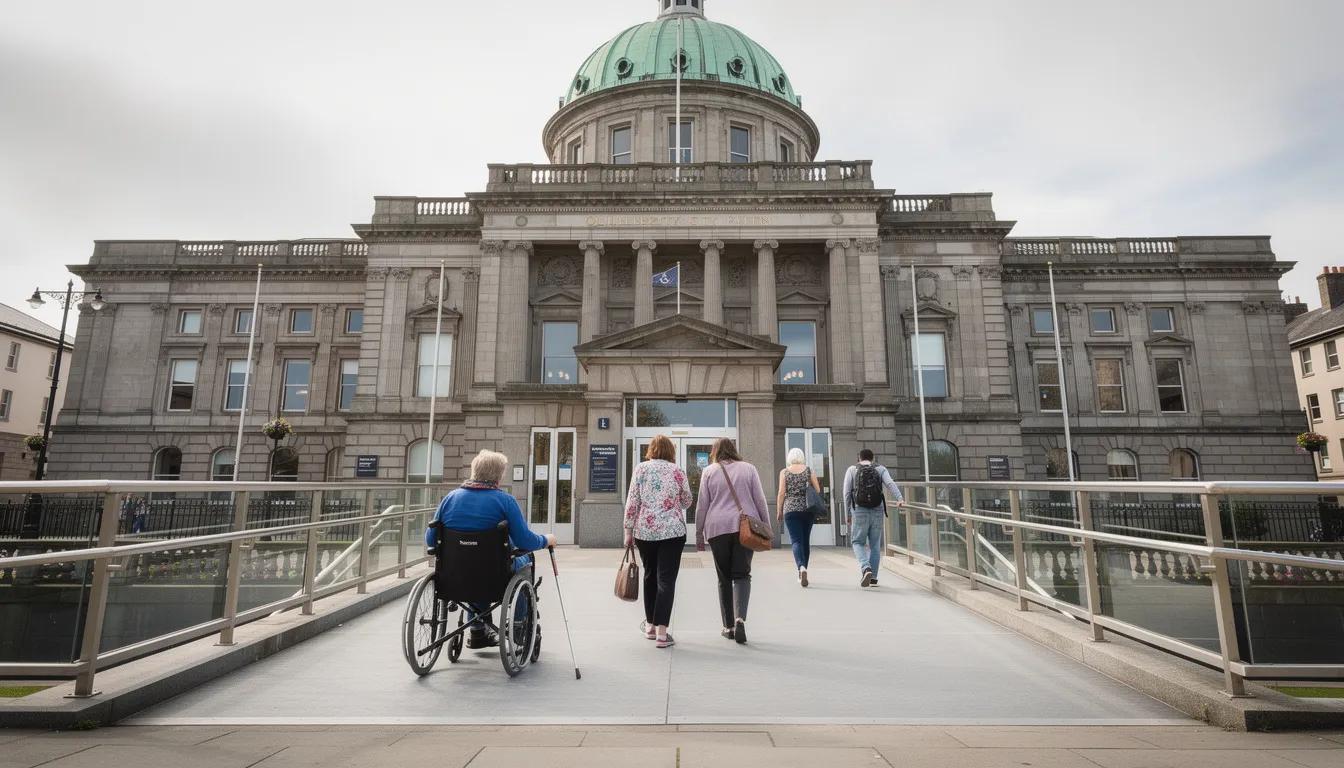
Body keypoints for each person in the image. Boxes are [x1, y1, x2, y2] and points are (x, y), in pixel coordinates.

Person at [425, 449, 557, 649]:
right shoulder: (505, 501)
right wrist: (545, 540)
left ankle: (477, 630)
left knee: (473, 563)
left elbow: (431, 539)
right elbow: (525, 542)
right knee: (524, 563)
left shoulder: (450, 498)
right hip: (493, 573)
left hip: (453, 574)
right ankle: (519, 630)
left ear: (474, 471)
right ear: (499, 475)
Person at [694, 438, 771, 644]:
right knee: (742, 575)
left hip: (717, 529)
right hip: (744, 528)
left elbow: (702, 505)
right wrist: (767, 526)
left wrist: (699, 534)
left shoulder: (709, 472)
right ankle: (739, 620)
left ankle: (727, 627)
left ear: (715, 452)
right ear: (734, 450)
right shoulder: (749, 469)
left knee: (724, 577)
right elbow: (760, 499)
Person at [624, 434, 692, 648]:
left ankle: (650, 626)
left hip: (646, 531)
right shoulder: (677, 471)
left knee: (650, 575)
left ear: (651, 449)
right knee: (666, 579)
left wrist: (628, 530)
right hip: (672, 532)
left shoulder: (641, 469)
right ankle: (663, 633)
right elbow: (687, 501)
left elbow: (632, 501)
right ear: (671, 451)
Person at [842, 449, 903, 588]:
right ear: (873, 458)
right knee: (875, 546)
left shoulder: (852, 470)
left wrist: (848, 514)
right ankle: (874, 578)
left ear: (859, 458)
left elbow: (846, 493)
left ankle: (865, 567)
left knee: (857, 542)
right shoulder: (880, 469)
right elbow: (890, 483)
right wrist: (899, 498)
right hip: (877, 510)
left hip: (859, 511)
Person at [776, 448, 821, 587]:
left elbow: (781, 492)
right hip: (807, 510)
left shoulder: (784, 472)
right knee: (805, 540)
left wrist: (779, 511)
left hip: (790, 510)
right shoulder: (809, 471)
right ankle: (804, 569)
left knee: (796, 541)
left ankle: (801, 568)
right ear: (802, 457)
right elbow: (817, 489)